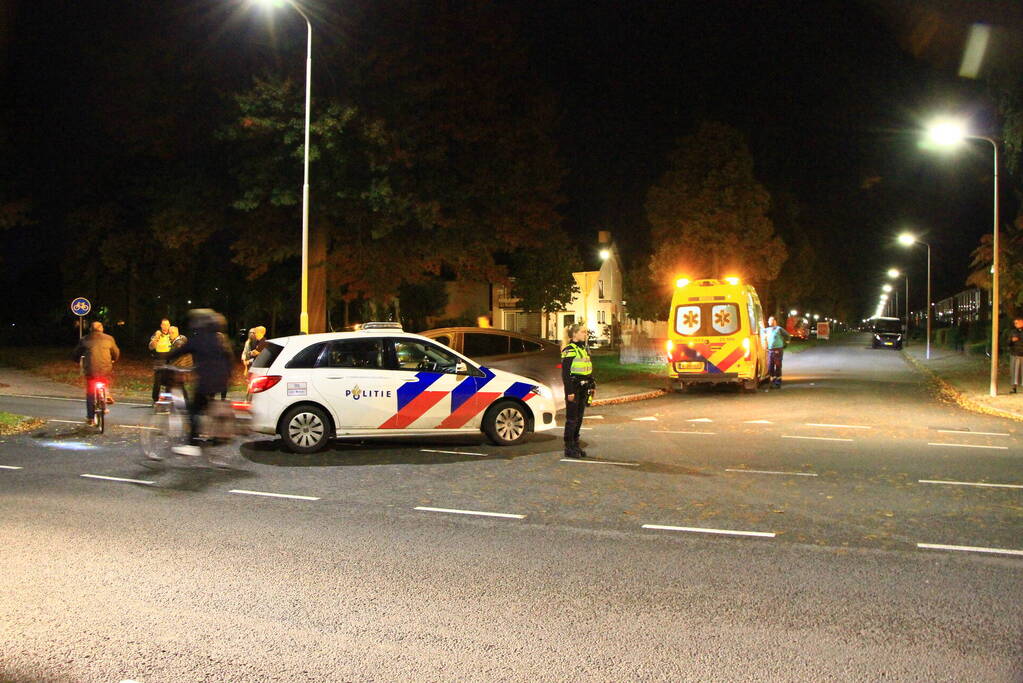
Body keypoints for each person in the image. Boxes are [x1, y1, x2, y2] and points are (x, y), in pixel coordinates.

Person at [164, 309, 233, 457]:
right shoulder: (219, 339)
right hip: (220, 381)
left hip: (206, 382)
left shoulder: (199, 338)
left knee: (193, 411)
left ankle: (192, 443)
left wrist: (164, 359)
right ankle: (212, 433)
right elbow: (229, 358)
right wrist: (228, 377)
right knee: (206, 407)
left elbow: (181, 351)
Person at [72, 321, 120, 426]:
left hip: (91, 370)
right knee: (105, 378)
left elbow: (76, 353)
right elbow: (116, 353)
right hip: (105, 369)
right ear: (101, 328)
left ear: (91, 329)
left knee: (90, 393)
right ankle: (105, 394)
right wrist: (114, 359)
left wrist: (76, 360)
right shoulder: (109, 338)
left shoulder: (85, 339)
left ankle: (90, 418)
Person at [561, 322, 595, 459]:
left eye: (585, 332)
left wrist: (591, 385)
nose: (585, 334)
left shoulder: (583, 349)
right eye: (582, 332)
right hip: (574, 387)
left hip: (583, 387)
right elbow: (565, 373)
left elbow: (587, 370)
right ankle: (569, 447)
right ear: (574, 334)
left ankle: (575, 444)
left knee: (579, 418)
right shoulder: (569, 349)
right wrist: (569, 391)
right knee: (572, 419)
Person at [149, 318, 174, 403]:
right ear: (161, 325)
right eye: (164, 324)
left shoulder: (172, 334)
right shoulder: (157, 333)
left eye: (167, 325)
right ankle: (155, 399)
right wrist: (156, 337)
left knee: (169, 380)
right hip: (159, 360)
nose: (165, 326)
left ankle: (167, 399)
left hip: (169, 360)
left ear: (169, 325)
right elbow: (151, 347)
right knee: (158, 381)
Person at [764, 316, 791, 389]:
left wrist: (785, 344)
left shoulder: (779, 329)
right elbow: (760, 331)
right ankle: (773, 380)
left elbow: (787, 336)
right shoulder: (767, 330)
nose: (769, 322)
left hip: (778, 350)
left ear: (775, 321)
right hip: (770, 350)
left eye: (771, 320)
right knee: (770, 366)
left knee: (778, 365)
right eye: (769, 321)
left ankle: (778, 382)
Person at [1008, 317, 1023, 394]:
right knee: (1014, 370)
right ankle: (1014, 387)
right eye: (1015, 323)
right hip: (1015, 353)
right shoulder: (1013, 332)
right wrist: (1011, 340)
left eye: (1017, 323)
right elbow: (1008, 342)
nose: (1015, 324)